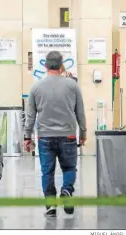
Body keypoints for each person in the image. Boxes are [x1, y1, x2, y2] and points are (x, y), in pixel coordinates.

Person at [24, 51, 87, 217]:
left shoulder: (36, 87)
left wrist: (27, 136)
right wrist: (83, 133)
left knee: (47, 171)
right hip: (68, 135)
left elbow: (30, 116)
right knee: (69, 168)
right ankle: (66, 190)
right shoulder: (72, 86)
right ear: (61, 66)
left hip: (45, 136)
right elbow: (80, 112)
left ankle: (50, 206)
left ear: (45, 66)